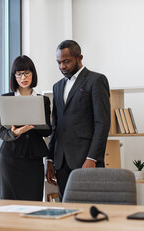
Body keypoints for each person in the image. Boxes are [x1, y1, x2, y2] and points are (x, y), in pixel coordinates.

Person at [46, 40, 110, 200]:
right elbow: (56, 126)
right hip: (61, 163)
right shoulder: (57, 86)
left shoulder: (96, 80)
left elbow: (102, 123)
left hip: (85, 160)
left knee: (89, 210)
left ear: (79, 58)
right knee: (66, 209)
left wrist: (92, 158)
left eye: (66, 61)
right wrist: (50, 159)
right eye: (59, 63)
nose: (62, 67)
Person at [0, 55, 52, 201]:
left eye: (27, 73)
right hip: (10, 160)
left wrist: (33, 122)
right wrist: (15, 133)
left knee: (33, 201)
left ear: (33, 74)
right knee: (8, 203)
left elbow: (48, 130)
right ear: (14, 76)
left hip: (33, 160)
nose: (23, 77)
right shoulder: (6, 99)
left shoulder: (43, 100)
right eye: (19, 74)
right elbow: (2, 132)